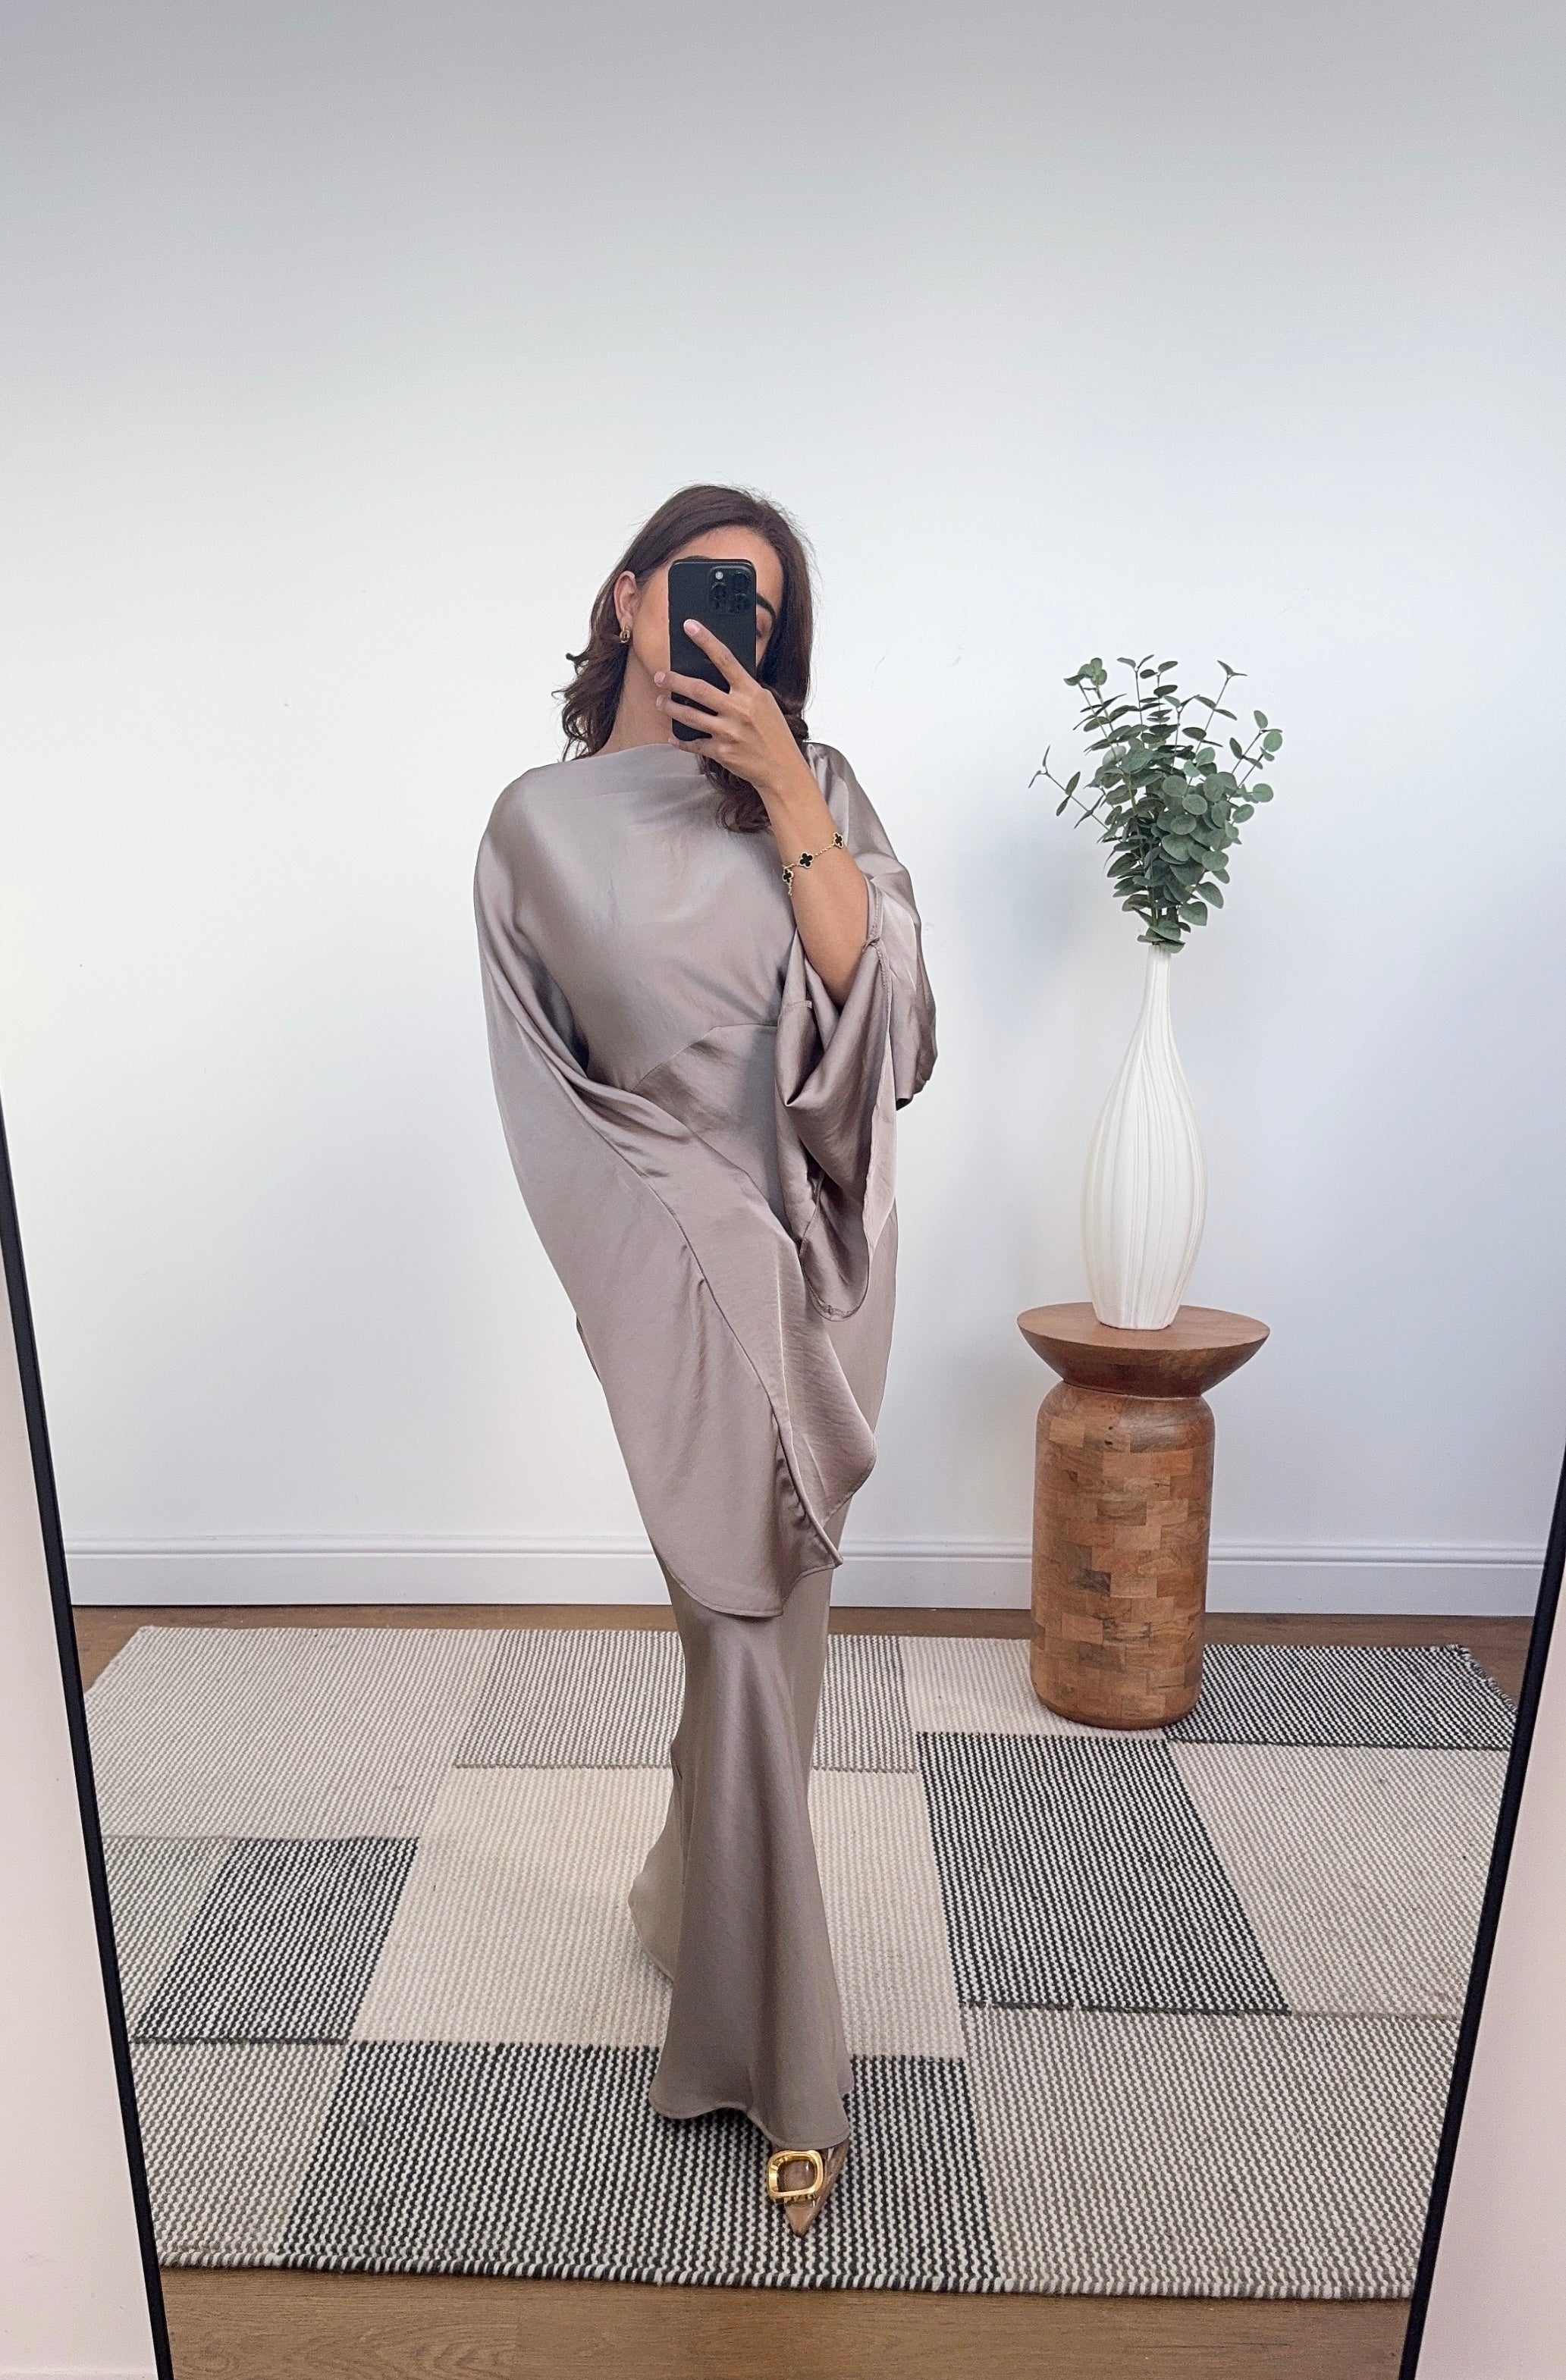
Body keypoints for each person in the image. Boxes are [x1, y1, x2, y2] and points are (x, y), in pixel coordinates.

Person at [473, 483, 937, 2234]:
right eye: (705, 589)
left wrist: (795, 798)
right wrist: (667, 1245)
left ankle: (689, 1895)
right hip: (671, 1252)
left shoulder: (821, 789)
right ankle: (780, 2067)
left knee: (770, 1640)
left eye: (766, 610)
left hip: (824, 1246)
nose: (733, 626)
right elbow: (551, 1091)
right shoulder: (533, 829)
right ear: (629, 598)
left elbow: (891, 1030)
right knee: (737, 1620)